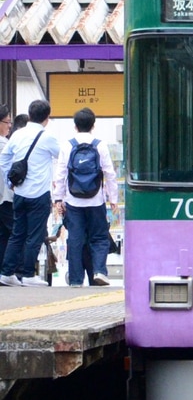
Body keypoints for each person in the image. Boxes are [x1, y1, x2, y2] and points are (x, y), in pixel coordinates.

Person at [0, 100, 64, 287]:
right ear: (47, 117)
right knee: (34, 235)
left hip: (19, 193)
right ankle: (28, 274)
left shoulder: (17, 135)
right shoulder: (47, 137)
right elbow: (62, 157)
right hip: (39, 194)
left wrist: (9, 182)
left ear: (29, 114)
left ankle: (6, 273)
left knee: (17, 234)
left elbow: (4, 159)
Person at [53, 107, 120, 287]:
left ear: (75, 126)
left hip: (73, 201)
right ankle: (99, 271)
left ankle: (75, 280)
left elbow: (60, 174)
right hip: (96, 200)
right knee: (98, 237)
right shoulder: (100, 145)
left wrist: (58, 199)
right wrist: (113, 199)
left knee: (75, 239)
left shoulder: (68, 145)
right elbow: (109, 173)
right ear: (93, 125)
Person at [0, 106, 12, 268]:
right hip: (5, 198)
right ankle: (10, 271)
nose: (10, 126)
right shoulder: (3, 144)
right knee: (13, 234)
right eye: (7, 122)